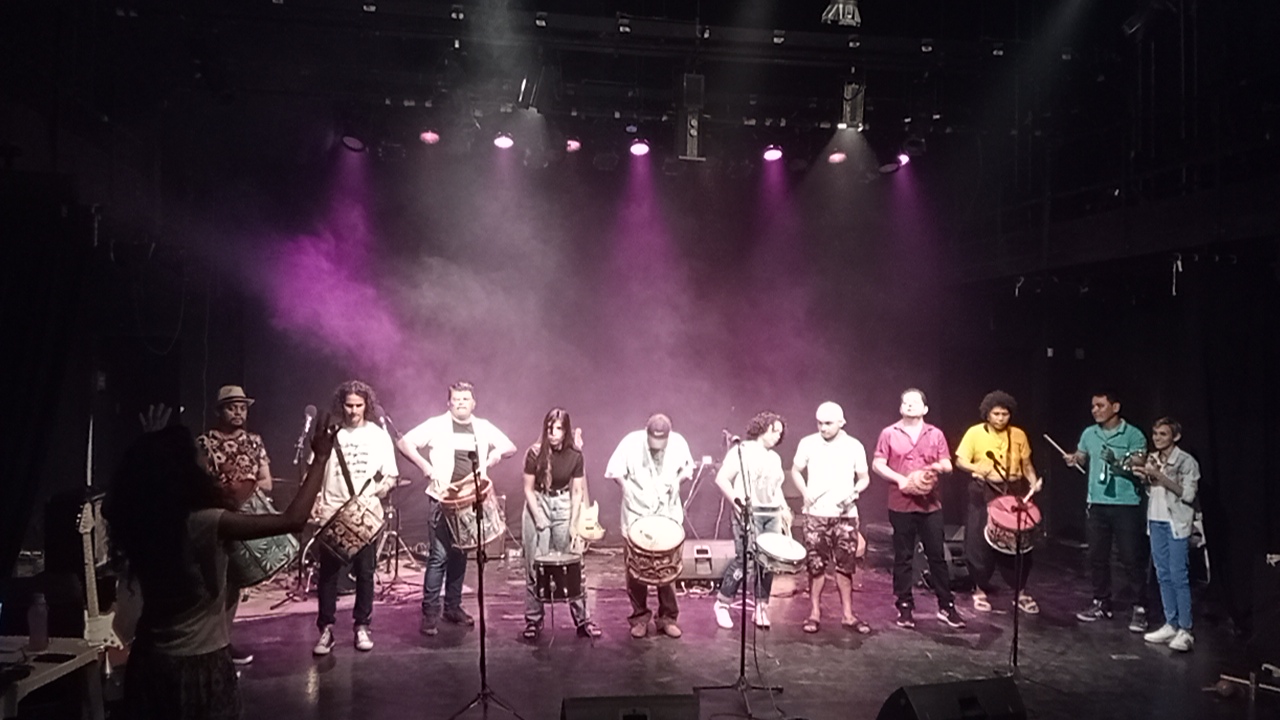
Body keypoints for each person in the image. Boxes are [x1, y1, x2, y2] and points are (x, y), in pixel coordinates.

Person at [104, 404, 331, 720]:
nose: (204, 459)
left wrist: (150, 444)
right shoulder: (205, 522)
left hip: (149, 663)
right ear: (184, 468)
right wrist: (320, 459)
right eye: (196, 454)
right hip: (201, 664)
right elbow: (292, 520)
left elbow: (130, 487)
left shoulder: (141, 519)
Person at [397, 380, 517, 636]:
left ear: (474, 403)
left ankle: (452, 607)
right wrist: (425, 466)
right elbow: (404, 442)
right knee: (439, 557)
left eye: (465, 399)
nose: (461, 403)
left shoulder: (482, 427)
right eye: (456, 399)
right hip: (442, 498)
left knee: (460, 554)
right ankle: (430, 613)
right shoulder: (437, 424)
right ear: (449, 402)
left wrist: (495, 455)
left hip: (470, 500)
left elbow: (510, 446)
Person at [310, 381, 399, 655]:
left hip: (364, 513)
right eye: (349, 405)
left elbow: (391, 474)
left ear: (366, 405)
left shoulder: (378, 435)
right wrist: (314, 501)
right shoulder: (331, 434)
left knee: (365, 573)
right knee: (328, 575)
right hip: (333, 511)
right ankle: (326, 630)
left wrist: (382, 489)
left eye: (359, 405)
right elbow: (315, 471)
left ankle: (362, 626)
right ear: (342, 405)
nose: (353, 411)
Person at [872, 388, 965, 629]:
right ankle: (904, 607)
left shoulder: (935, 434)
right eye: (906, 402)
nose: (910, 405)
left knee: (937, 556)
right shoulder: (889, 433)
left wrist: (936, 468)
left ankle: (946, 606)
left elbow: (947, 464)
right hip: (900, 503)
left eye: (915, 402)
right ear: (900, 408)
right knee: (903, 557)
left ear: (925, 409)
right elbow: (878, 464)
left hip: (930, 504)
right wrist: (901, 480)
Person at [194, 385, 274, 665]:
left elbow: (267, 482)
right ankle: (210, 642)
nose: (238, 412)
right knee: (215, 582)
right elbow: (198, 485)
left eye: (242, 408)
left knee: (234, 582)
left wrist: (245, 489)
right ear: (220, 411)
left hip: (246, 518)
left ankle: (224, 641)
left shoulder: (254, 442)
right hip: (217, 519)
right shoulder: (205, 443)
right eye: (232, 407)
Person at [1062, 390, 1150, 631]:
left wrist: (1117, 461)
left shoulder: (1133, 434)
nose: (1095, 410)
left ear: (1116, 407)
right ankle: (1101, 602)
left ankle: (1140, 607)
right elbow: (1082, 456)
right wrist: (1074, 459)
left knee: (1130, 557)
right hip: (1097, 503)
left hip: (1126, 504)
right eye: (1093, 406)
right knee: (1097, 556)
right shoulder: (1089, 433)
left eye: (1100, 405)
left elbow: (1140, 463)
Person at [604, 413, 695, 639]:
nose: (657, 450)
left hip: (666, 512)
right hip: (637, 511)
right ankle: (639, 617)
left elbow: (687, 469)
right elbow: (614, 470)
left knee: (667, 568)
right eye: (653, 445)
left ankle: (668, 618)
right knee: (636, 569)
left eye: (661, 445)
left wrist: (678, 482)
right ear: (646, 434)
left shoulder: (678, 443)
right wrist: (625, 487)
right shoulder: (631, 443)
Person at [954, 391, 1043, 615]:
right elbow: (960, 461)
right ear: (987, 414)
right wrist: (976, 468)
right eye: (996, 414)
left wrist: (1033, 481)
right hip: (984, 490)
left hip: (1013, 490)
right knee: (979, 541)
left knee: (1018, 542)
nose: (1001, 418)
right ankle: (979, 590)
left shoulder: (1018, 434)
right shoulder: (975, 432)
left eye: (1005, 414)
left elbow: (1027, 465)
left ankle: (1020, 592)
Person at [789, 401, 871, 634]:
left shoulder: (854, 446)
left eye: (828, 423)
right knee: (816, 566)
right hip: (816, 514)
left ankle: (848, 615)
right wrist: (805, 492)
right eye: (819, 423)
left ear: (841, 422)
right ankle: (814, 613)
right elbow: (795, 470)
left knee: (845, 566)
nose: (823, 428)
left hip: (845, 516)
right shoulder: (808, 443)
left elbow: (864, 478)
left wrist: (854, 493)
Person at [520, 407, 601, 640]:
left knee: (574, 563)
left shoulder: (575, 455)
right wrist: (539, 518)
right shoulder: (535, 453)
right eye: (549, 428)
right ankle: (534, 620)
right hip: (539, 501)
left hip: (563, 503)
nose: (553, 433)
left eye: (558, 428)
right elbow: (528, 488)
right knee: (534, 565)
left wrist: (574, 524)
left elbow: (577, 491)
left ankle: (583, 620)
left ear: (566, 431)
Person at [712, 411, 788, 630]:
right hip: (749, 512)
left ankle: (761, 607)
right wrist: (737, 503)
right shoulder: (741, 451)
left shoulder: (774, 457)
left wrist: (783, 508)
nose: (777, 436)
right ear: (762, 428)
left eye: (780, 433)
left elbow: (776, 487)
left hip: (771, 513)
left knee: (768, 562)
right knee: (745, 560)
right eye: (774, 431)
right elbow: (722, 479)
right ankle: (723, 604)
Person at [1133, 417, 1200, 651]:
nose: (1157, 438)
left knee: (1178, 574)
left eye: (1163, 434)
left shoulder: (1186, 461)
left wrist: (1160, 476)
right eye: (1155, 434)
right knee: (1162, 574)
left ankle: (1186, 629)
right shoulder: (1152, 458)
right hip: (1156, 520)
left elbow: (1188, 494)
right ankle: (1171, 623)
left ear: (1175, 436)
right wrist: (1145, 478)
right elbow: (1153, 491)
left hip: (1176, 522)